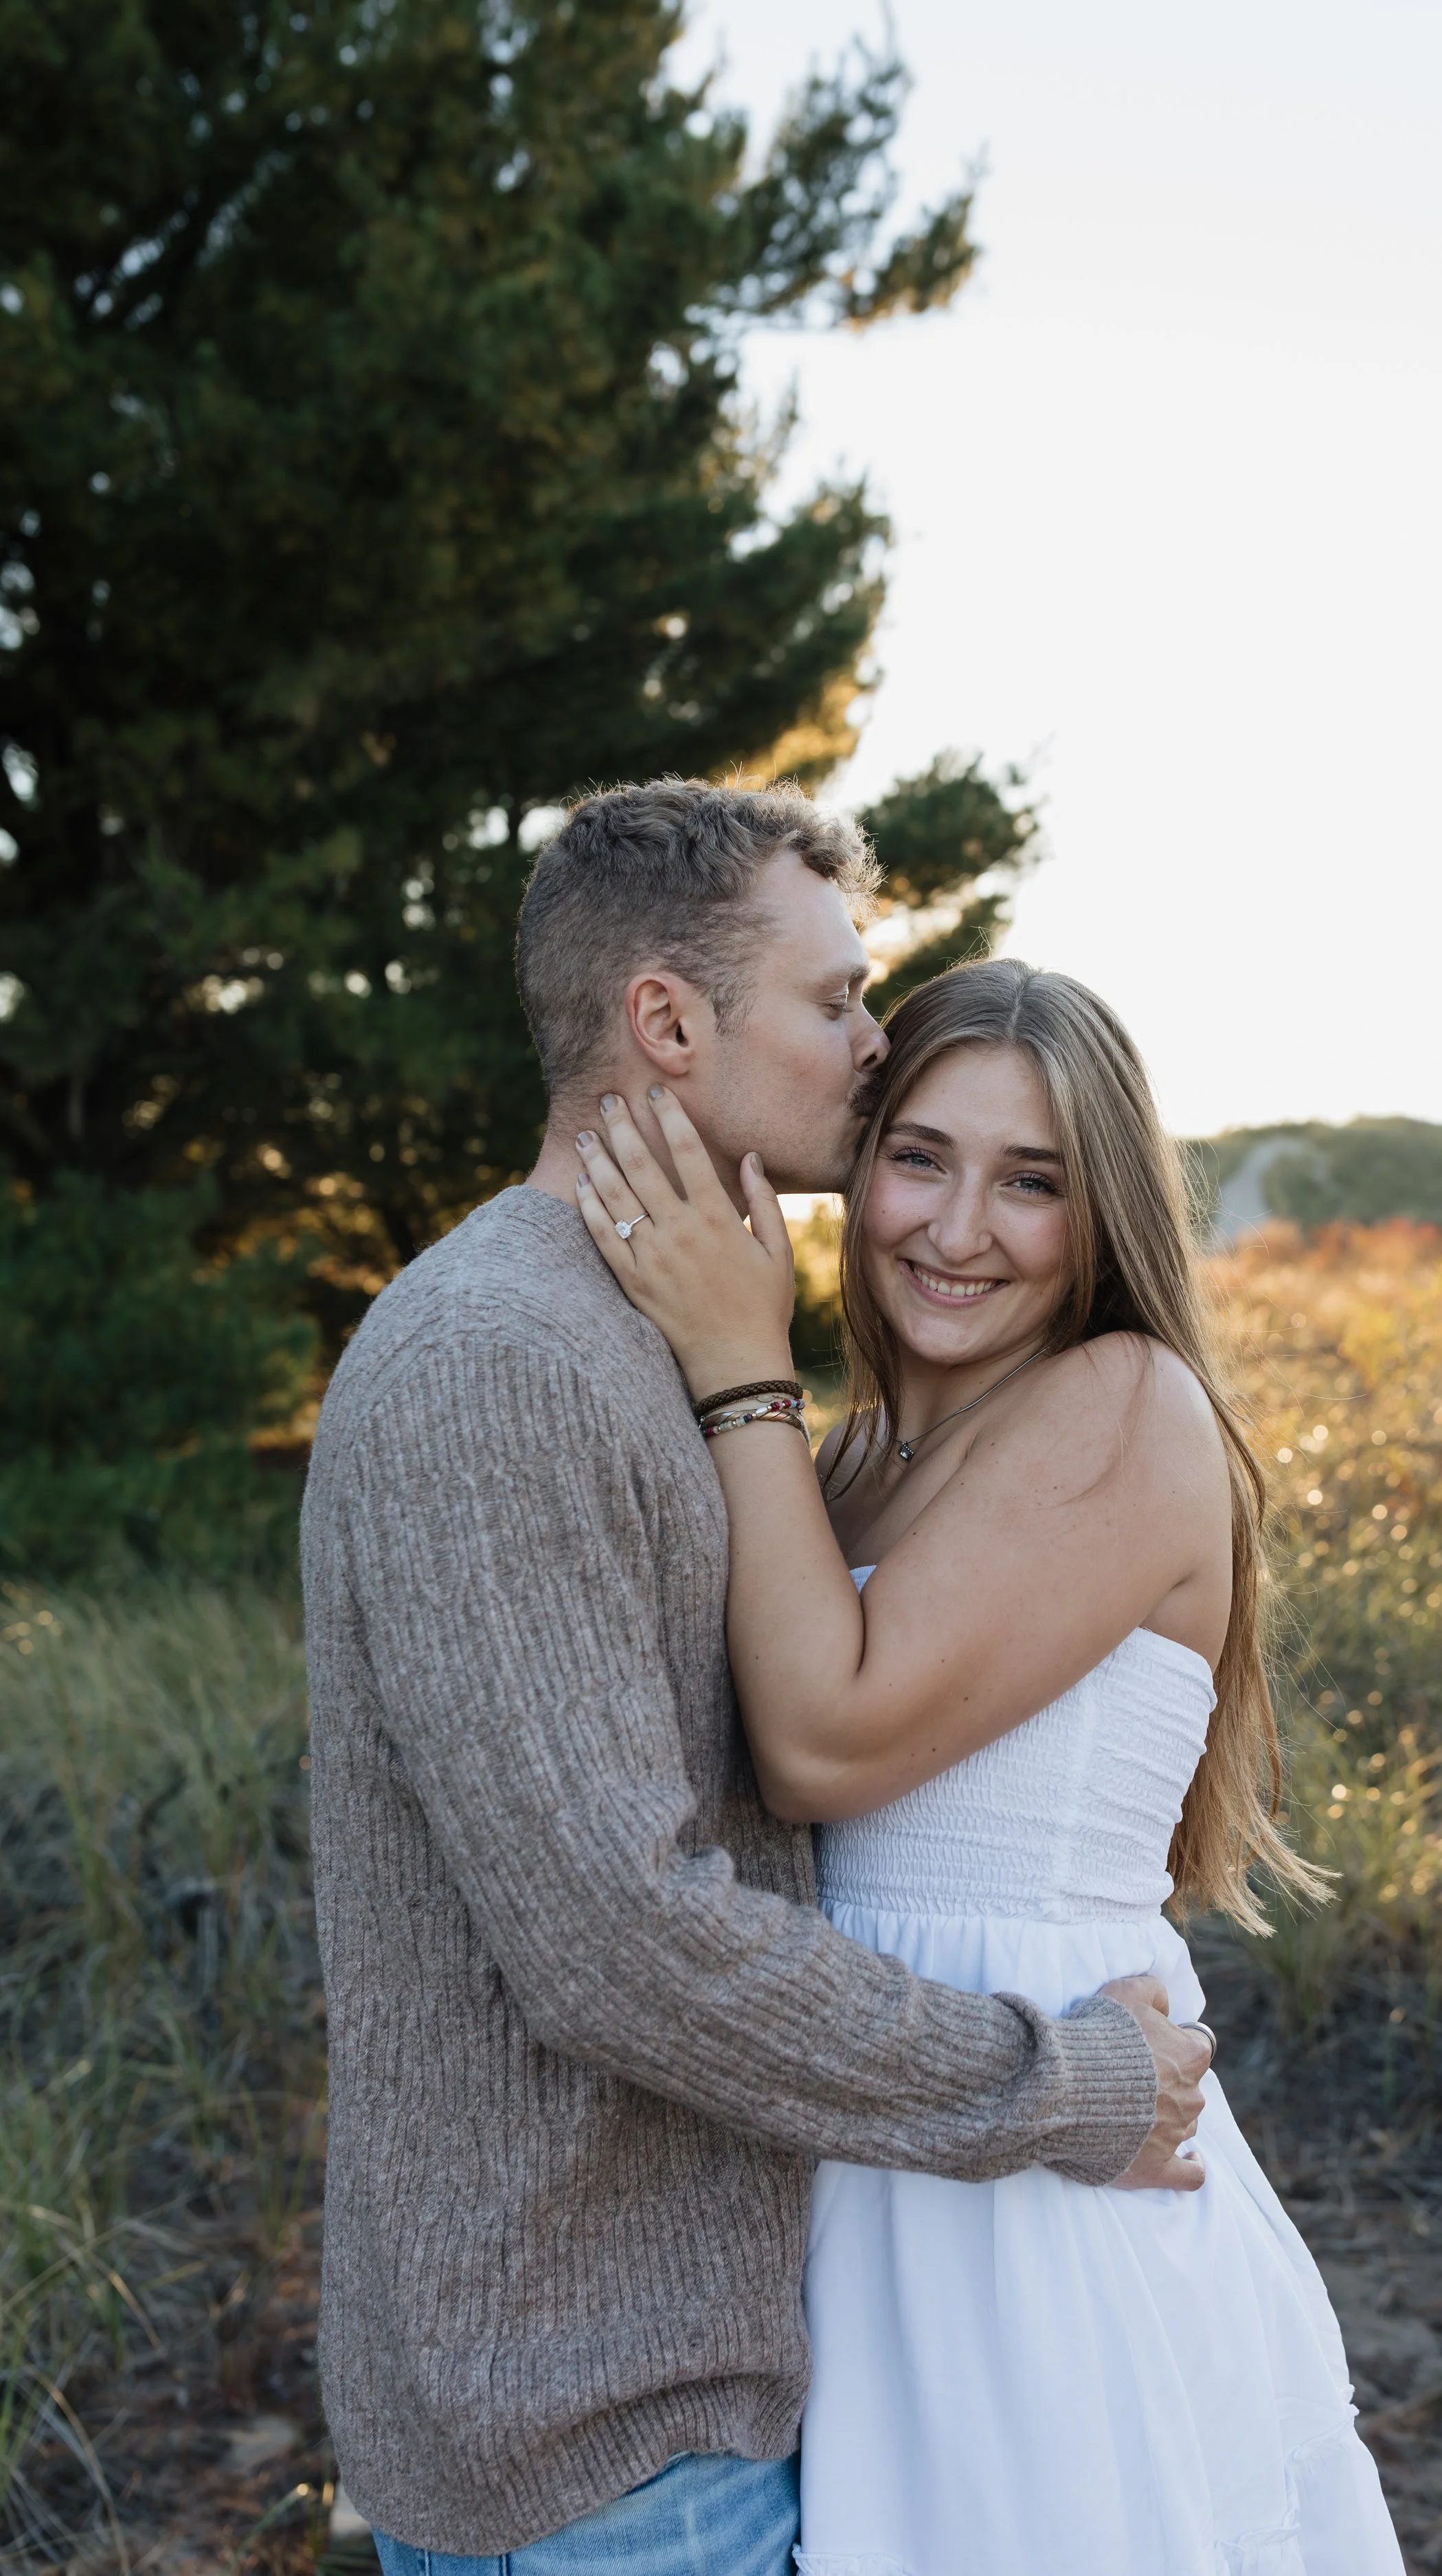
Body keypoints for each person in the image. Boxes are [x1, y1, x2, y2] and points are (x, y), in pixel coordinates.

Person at [300, 782, 1213, 2576]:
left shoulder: (645, 1340)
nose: (869, 1047)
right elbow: (616, 1936)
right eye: (834, 998)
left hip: (741, 2368)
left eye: (1029, 1174)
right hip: (590, 2432)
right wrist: (1062, 2080)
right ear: (665, 1022)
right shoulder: (500, 1360)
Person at [574, 952, 1407, 2575]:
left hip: (1037, 2183)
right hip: (887, 2111)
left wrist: (740, 1363)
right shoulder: (864, 1454)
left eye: (1029, 1182)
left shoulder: (1120, 1403)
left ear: (1101, 1218)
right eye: (918, 1159)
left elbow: (821, 1744)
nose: (956, 1232)